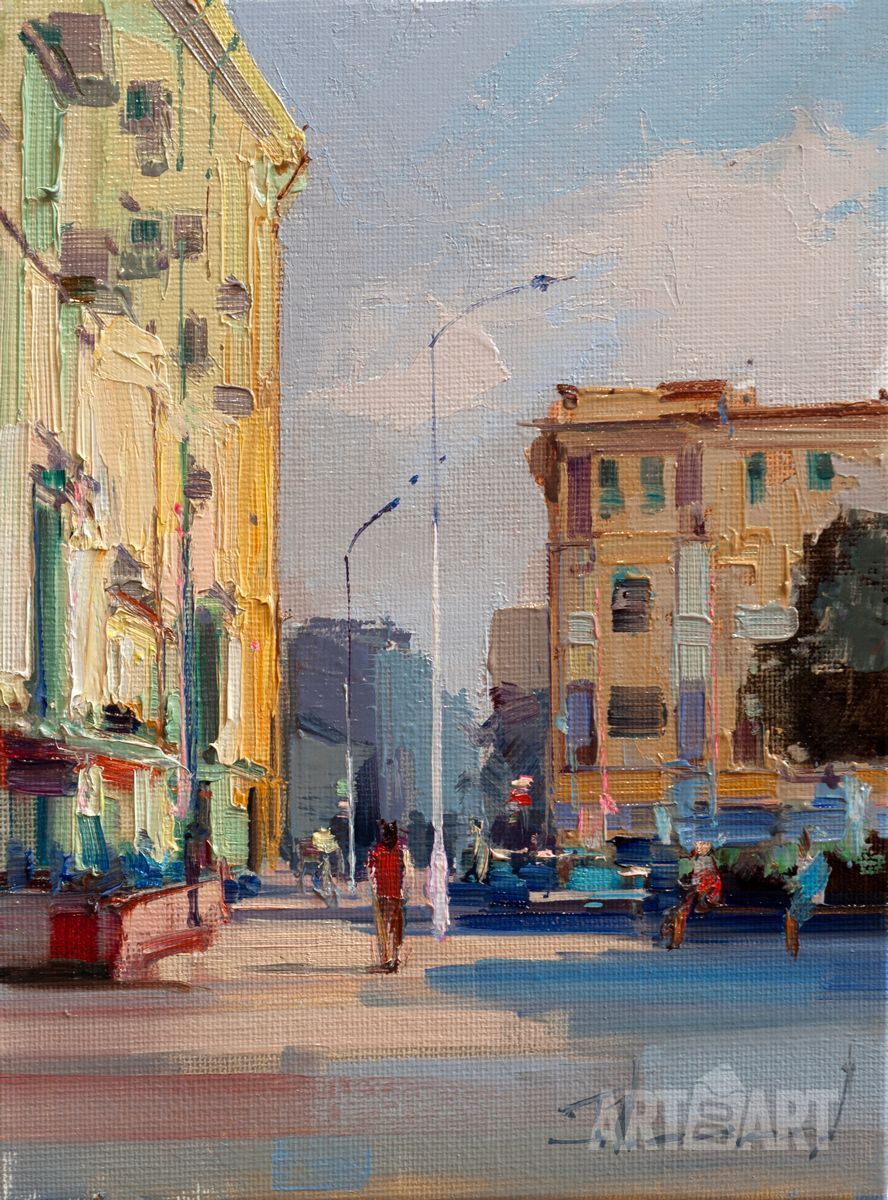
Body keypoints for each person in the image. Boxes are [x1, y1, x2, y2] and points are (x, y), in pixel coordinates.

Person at [367, 820, 413, 973]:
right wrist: (405, 893)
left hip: (383, 894)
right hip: (396, 895)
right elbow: (408, 874)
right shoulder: (401, 851)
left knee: (384, 927)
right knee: (396, 927)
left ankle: (387, 958)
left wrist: (374, 890)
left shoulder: (376, 851)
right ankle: (395, 956)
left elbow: (371, 874)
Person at [661, 840, 723, 950]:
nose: (700, 847)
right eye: (698, 845)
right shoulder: (696, 861)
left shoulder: (708, 867)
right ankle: (673, 937)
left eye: (704, 845)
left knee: (680, 912)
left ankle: (674, 938)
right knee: (679, 911)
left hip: (700, 894)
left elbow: (704, 883)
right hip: (695, 892)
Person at [784, 829, 830, 958]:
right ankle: (792, 948)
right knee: (792, 919)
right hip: (806, 894)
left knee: (792, 919)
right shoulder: (807, 867)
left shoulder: (808, 868)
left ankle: (792, 948)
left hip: (806, 894)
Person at [462, 817, 491, 884]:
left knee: (481, 865)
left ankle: (480, 877)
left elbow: (476, 844)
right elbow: (476, 843)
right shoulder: (476, 831)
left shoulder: (478, 832)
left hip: (482, 850)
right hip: (481, 850)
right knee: (479, 865)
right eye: (481, 824)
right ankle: (479, 878)